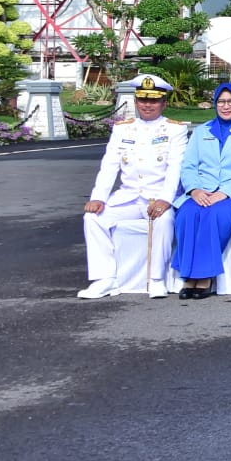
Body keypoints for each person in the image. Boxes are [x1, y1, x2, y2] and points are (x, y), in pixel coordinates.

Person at [78, 74, 189, 298]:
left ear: (163, 103)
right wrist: (98, 197)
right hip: (128, 197)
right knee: (93, 218)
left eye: (154, 100)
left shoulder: (175, 130)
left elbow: (175, 168)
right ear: (136, 102)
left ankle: (156, 278)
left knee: (164, 220)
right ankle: (105, 278)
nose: (148, 105)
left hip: (158, 196)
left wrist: (166, 199)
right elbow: (109, 165)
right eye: (143, 100)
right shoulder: (122, 129)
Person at [170, 82, 231, 299]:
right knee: (187, 214)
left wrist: (225, 192)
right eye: (221, 102)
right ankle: (189, 275)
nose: (226, 106)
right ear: (215, 104)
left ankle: (203, 277)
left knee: (215, 215)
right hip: (202, 191)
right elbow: (188, 166)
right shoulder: (201, 131)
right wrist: (194, 190)